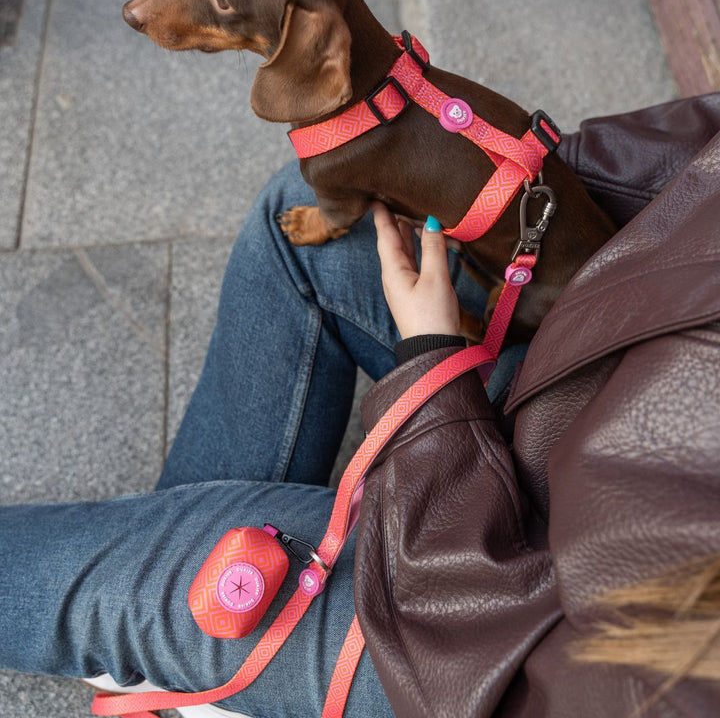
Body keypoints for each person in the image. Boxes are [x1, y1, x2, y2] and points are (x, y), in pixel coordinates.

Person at [1, 93, 719, 718]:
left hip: (468, 636)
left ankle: (179, 637)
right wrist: (491, 166)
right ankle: (191, 660)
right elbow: (688, 167)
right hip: (575, 359)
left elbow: (504, 642)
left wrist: (431, 363)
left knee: (142, 586)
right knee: (311, 218)